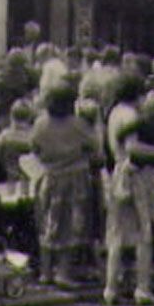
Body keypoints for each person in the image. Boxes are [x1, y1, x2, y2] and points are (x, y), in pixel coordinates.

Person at [102, 73, 154, 305]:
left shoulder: (114, 112)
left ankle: (111, 287)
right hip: (136, 176)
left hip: (118, 175)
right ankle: (143, 287)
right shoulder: (130, 116)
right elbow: (133, 148)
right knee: (143, 233)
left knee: (117, 233)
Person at [31, 83, 98, 290]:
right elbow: (95, 146)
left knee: (48, 223)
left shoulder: (41, 124)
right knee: (71, 224)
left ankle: (45, 271)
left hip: (49, 176)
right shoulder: (78, 125)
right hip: (75, 177)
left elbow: (34, 147)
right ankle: (64, 272)